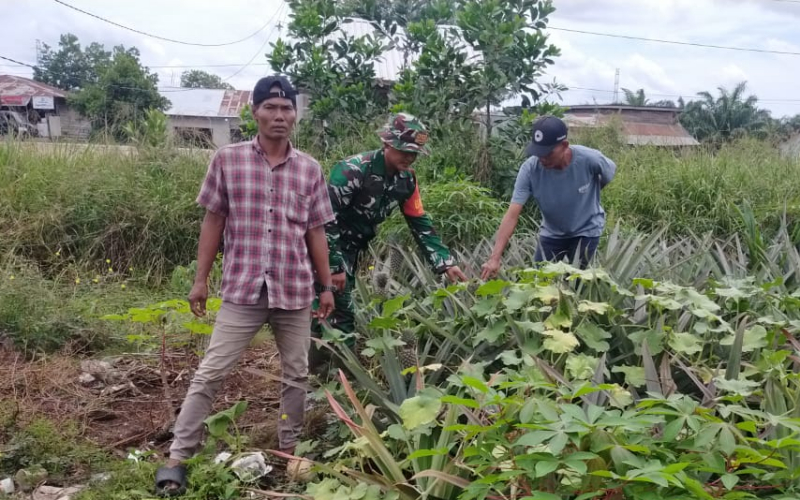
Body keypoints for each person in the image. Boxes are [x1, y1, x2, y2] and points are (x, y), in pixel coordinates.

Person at [154, 75, 337, 497]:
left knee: (296, 374)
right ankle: (179, 457)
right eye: (270, 108)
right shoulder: (227, 159)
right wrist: (200, 280)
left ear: (295, 114)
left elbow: (316, 233)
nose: (279, 116)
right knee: (211, 371)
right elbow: (213, 220)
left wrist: (325, 286)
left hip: (293, 289)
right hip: (242, 288)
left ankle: (289, 450)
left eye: (286, 108)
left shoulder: (310, 169)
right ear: (253, 112)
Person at [309, 113, 467, 370]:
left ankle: (331, 377)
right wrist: (334, 267)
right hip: (327, 248)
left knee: (332, 311)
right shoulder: (352, 171)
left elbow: (420, 222)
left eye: (414, 153)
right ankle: (327, 378)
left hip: (355, 249)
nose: (409, 157)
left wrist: (445, 262)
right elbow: (325, 221)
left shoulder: (407, 181)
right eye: (404, 150)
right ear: (387, 144)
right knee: (336, 311)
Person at [481, 115, 616, 280]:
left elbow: (608, 175)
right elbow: (512, 214)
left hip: (586, 231)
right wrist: (494, 258)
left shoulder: (590, 159)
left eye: (548, 153)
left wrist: (589, 191)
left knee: (578, 285)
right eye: (538, 153)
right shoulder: (530, 170)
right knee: (539, 282)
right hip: (552, 233)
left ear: (565, 145)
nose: (542, 158)